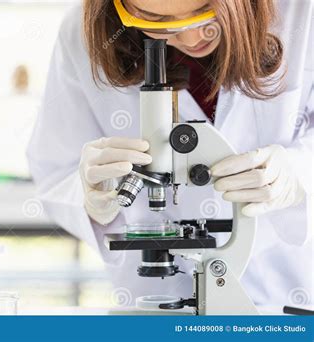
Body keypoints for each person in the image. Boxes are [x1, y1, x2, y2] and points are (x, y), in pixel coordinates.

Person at [27, 0, 313, 308]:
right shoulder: (84, 35)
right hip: (156, 300)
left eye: (205, 12)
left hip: (288, 294)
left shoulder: (302, 11)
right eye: (155, 18)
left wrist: (299, 171)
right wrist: (90, 195)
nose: (191, 38)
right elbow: (55, 170)